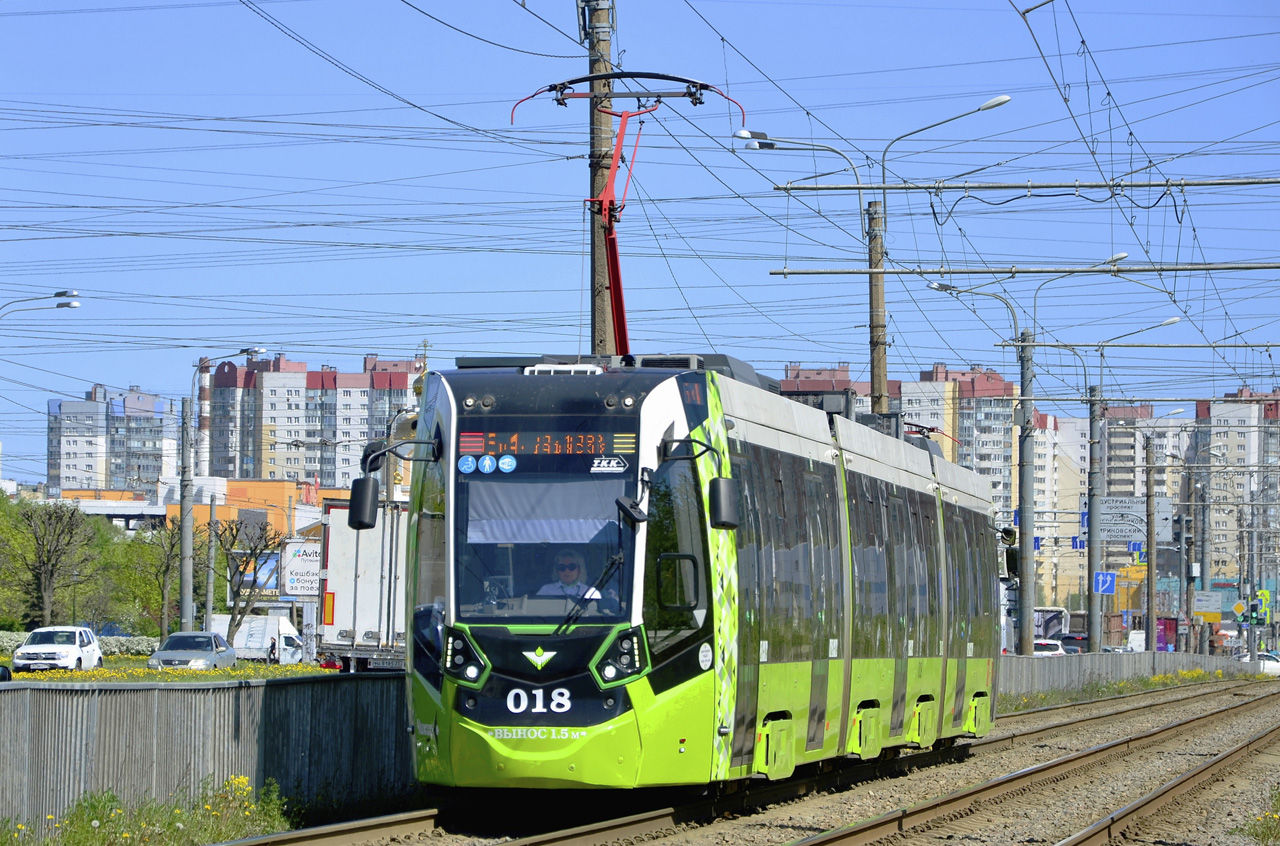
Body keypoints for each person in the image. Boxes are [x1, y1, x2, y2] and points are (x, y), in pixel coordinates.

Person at [537, 549, 620, 612]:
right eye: (562, 567)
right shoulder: (546, 590)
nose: (567, 571)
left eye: (571, 566)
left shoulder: (591, 592)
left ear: (580, 569)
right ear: (556, 570)